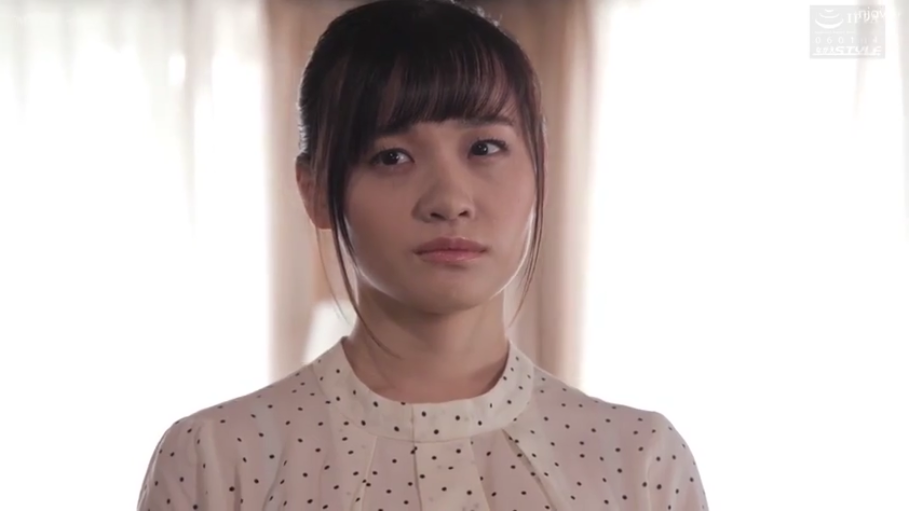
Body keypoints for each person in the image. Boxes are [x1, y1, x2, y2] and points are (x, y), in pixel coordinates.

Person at [137, 1, 710, 510]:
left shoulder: (640, 461)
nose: (449, 200)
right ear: (315, 191)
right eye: (392, 157)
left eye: (484, 147)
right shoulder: (216, 459)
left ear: (540, 168)